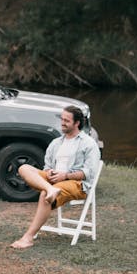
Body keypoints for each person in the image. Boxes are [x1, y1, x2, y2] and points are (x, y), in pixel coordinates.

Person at [10, 105, 101, 250]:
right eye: (62, 119)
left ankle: (28, 237)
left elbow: (88, 173)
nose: (62, 122)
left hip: (76, 184)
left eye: (67, 120)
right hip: (53, 182)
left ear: (77, 123)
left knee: (45, 195)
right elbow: (47, 167)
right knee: (24, 168)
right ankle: (50, 189)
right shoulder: (56, 143)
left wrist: (65, 175)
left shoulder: (88, 144)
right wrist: (51, 172)